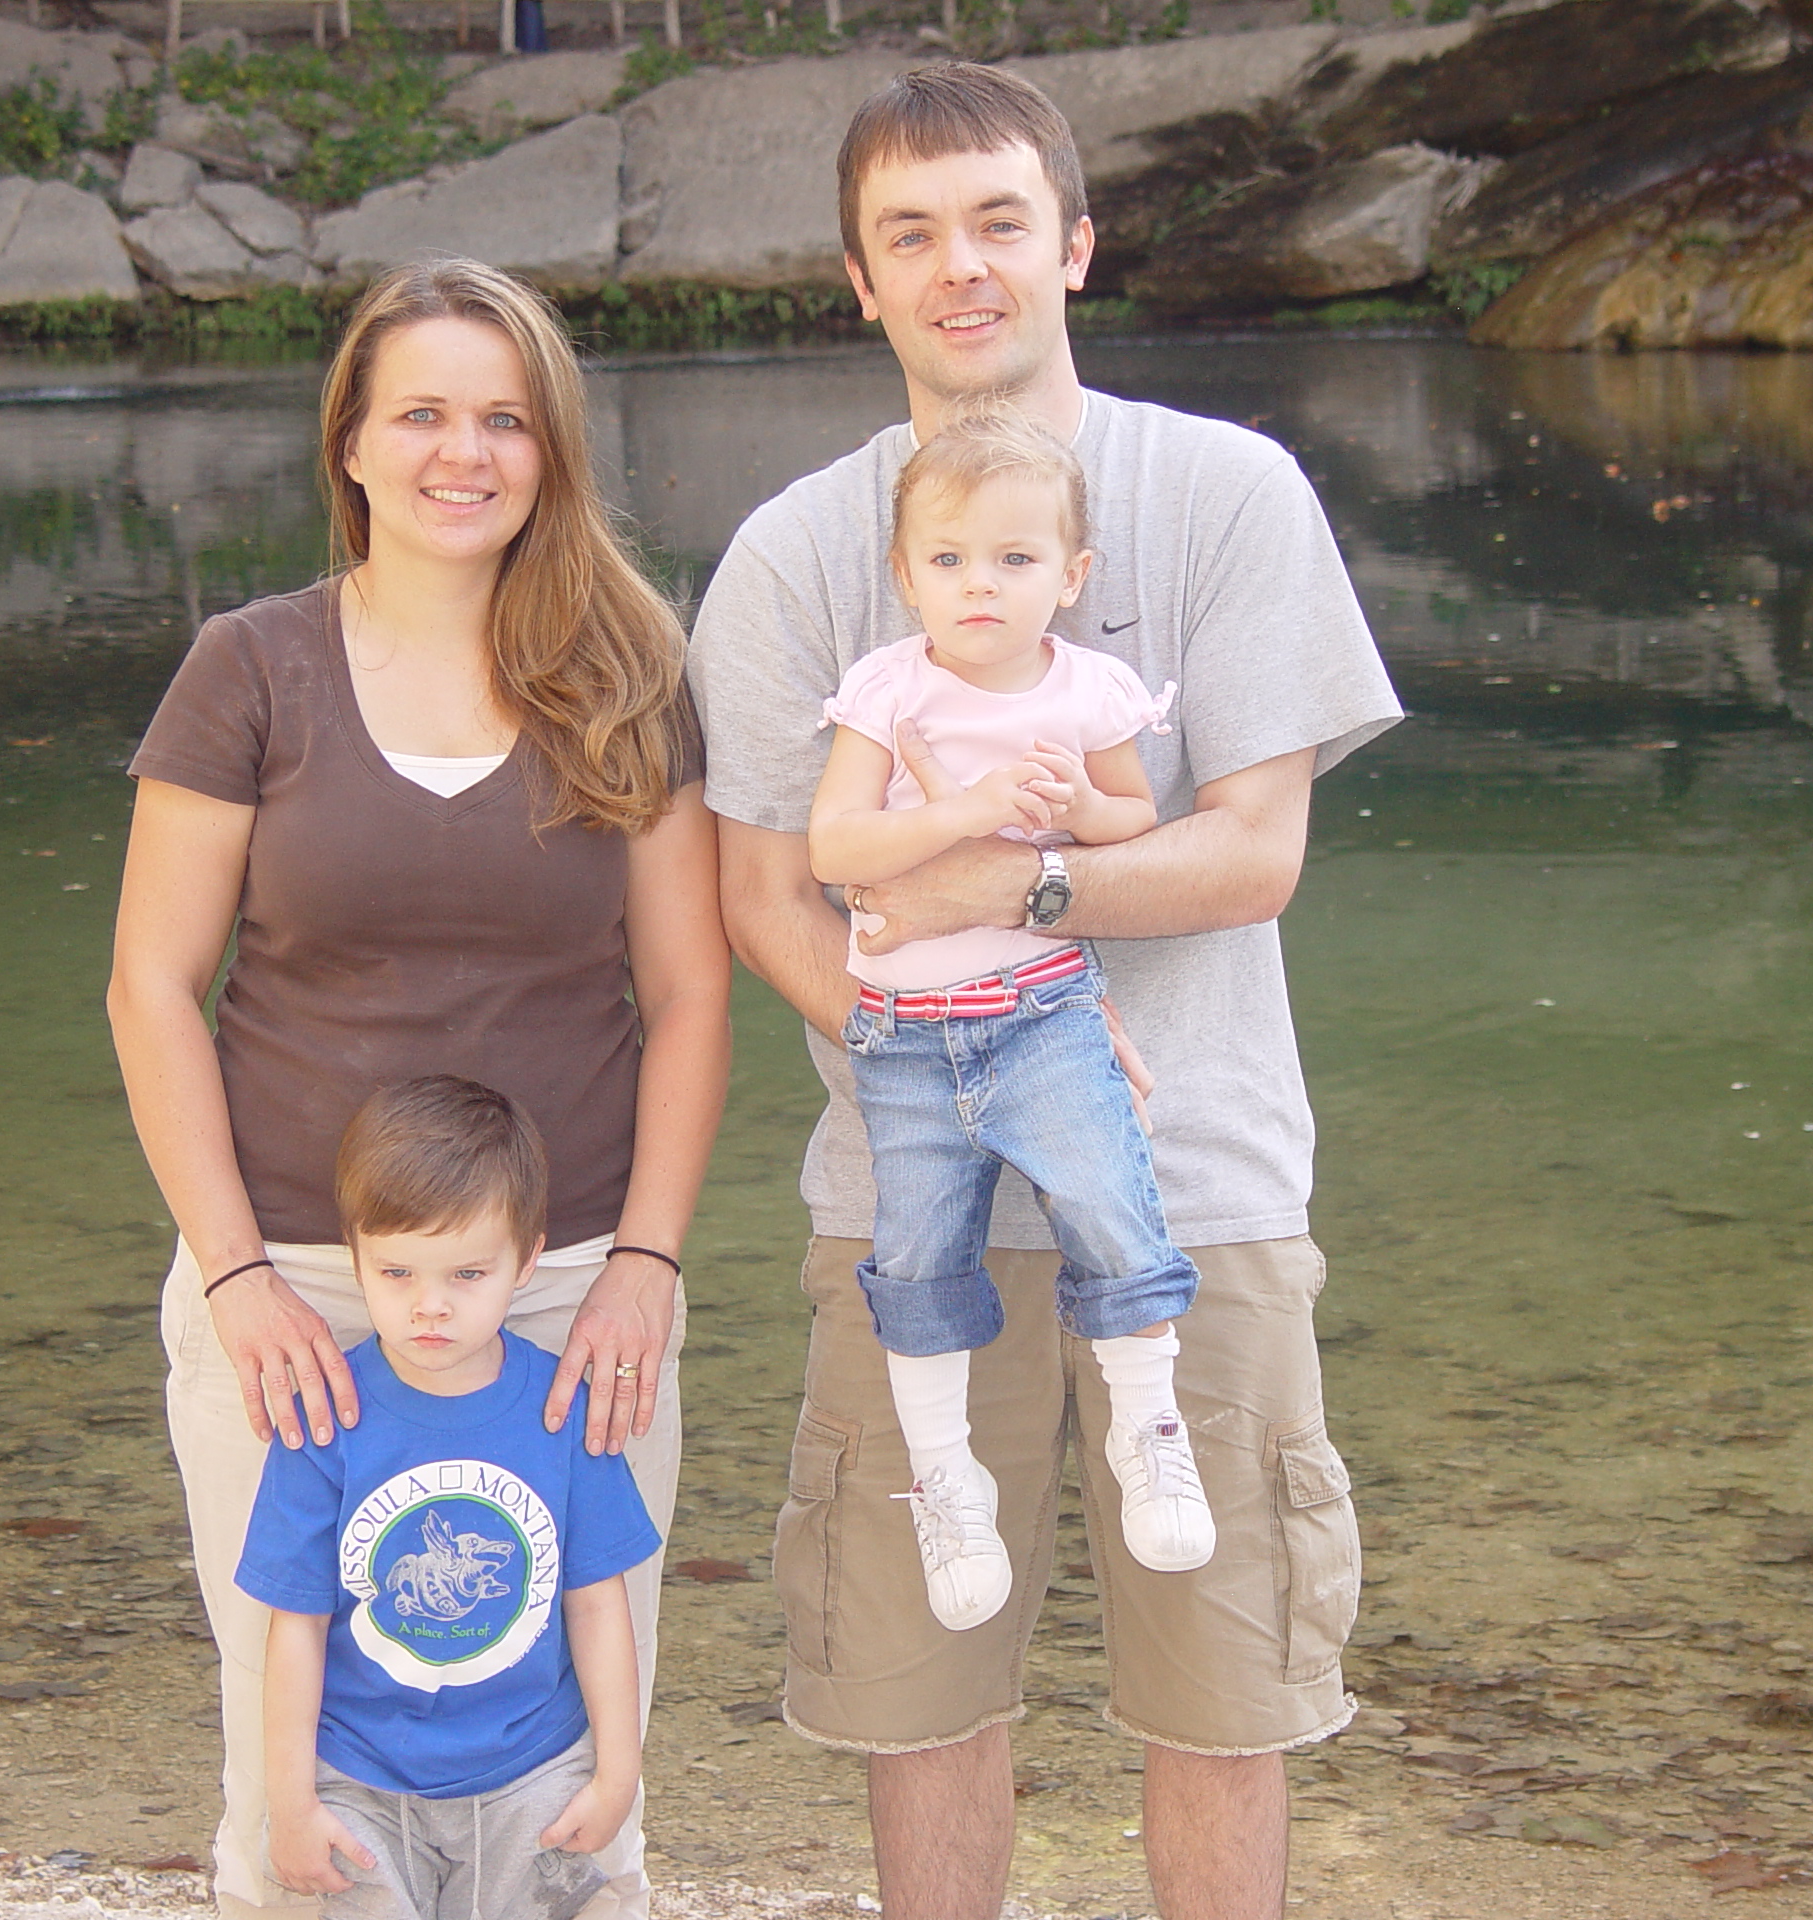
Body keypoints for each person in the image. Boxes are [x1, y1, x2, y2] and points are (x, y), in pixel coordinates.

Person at [687, 62, 1402, 1920]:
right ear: (861, 280)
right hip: (912, 1196)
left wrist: (1015, 885)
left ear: (1075, 242)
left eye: (1001, 221)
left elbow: (1253, 852)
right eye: (911, 236)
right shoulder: (790, 556)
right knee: (919, 1696)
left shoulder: (1227, 492)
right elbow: (760, 892)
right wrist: (960, 1065)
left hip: (1205, 1187)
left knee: (1219, 1692)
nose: (963, 268)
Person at [109, 256, 730, 1920]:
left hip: (569, 1288)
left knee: (581, 1784)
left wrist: (648, 1270)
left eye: (505, 419)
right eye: (426, 415)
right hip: (304, 1292)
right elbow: (151, 989)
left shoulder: (625, 673)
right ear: (356, 445)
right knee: (301, 1799)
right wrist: (236, 1277)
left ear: (551, 450)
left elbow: (687, 993)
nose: (467, 452)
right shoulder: (252, 671)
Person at [805, 404, 1211, 1634]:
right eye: (949, 560)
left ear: (1071, 577)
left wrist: (1075, 802)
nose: (979, 586)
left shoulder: (1090, 688)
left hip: (1039, 1010)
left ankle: (1148, 1425)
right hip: (906, 1037)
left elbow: (1133, 824)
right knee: (919, 1248)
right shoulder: (889, 691)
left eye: (1015, 560)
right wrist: (963, 809)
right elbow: (834, 843)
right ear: (905, 574)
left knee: (1107, 1197)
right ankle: (946, 1477)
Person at [246, 1077, 660, 1920]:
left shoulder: (564, 1411)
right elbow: (296, 1627)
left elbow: (596, 1604)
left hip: (531, 1774)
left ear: (527, 1260)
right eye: (397, 1272)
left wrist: (618, 1771)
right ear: (354, 1257)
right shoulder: (326, 1419)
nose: (430, 1305)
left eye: (468, 1272)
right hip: (358, 1776)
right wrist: (289, 1804)